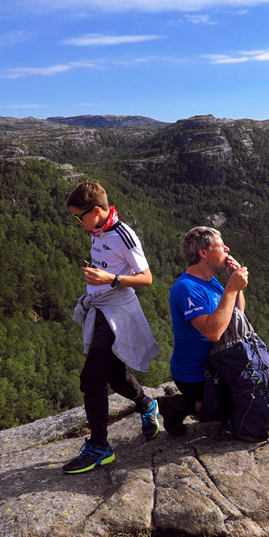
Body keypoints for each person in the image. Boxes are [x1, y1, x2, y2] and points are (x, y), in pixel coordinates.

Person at [63, 180, 161, 474]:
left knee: (91, 378)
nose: (76, 222)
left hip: (117, 310)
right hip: (102, 308)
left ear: (96, 211)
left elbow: (146, 278)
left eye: (78, 216)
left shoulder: (123, 234)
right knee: (114, 373)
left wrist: (110, 279)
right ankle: (146, 405)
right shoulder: (98, 230)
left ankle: (99, 447)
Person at [160, 226, 249, 435]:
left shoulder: (212, 282)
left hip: (217, 365)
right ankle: (180, 405)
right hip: (195, 374)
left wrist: (234, 283)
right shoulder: (186, 288)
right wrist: (232, 288)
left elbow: (237, 314)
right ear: (204, 253)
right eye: (221, 245)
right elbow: (213, 332)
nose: (227, 249)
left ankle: (209, 403)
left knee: (254, 398)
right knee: (239, 411)